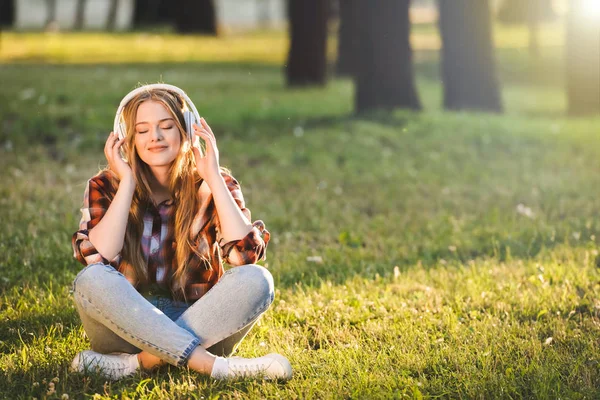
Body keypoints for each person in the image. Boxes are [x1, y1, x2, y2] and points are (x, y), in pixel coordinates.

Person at [69, 84, 292, 381]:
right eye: (143, 130)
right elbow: (99, 257)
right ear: (128, 139)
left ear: (186, 130)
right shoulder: (106, 185)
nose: (155, 137)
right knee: (92, 279)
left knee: (258, 279)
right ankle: (215, 367)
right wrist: (127, 184)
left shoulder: (214, 182)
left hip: (203, 322)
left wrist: (212, 175)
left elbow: (244, 254)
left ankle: (136, 364)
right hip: (125, 323)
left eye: (166, 126)